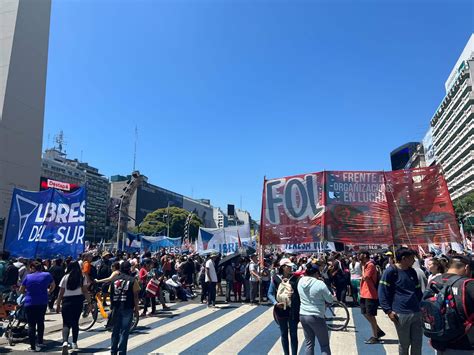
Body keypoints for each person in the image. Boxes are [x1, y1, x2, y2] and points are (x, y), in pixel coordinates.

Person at [378, 247, 423, 355]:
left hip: (416, 312)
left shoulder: (412, 272)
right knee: (404, 344)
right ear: (404, 259)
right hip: (401, 314)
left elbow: (418, 291)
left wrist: (422, 306)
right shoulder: (391, 271)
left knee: (417, 343)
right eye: (412, 258)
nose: (414, 261)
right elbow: (382, 292)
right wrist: (388, 311)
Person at [428, 255, 473, 354]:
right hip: (464, 343)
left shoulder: (434, 281)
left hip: (439, 340)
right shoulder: (468, 284)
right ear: (466, 268)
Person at [56, 261, 92, 354]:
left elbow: (61, 292)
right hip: (77, 301)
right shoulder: (82, 277)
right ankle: (74, 342)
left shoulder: (65, 277)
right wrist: (89, 302)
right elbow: (85, 291)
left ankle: (64, 342)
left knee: (66, 323)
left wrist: (58, 303)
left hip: (66, 301)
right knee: (75, 322)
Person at [298, 262, 333, 355]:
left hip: (303, 314)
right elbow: (330, 299)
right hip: (316, 315)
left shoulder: (300, 281)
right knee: (324, 345)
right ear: (316, 273)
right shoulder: (319, 283)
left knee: (309, 343)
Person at [19, 261, 55, 352]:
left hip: (30, 302)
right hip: (42, 301)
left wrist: (27, 292)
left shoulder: (28, 277)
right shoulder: (47, 275)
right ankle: (40, 342)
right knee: (40, 322)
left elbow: (21, 290)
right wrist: (49, 291)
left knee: (31, 324)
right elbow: (53, 285)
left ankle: (32, 346)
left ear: (32, 268)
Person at [268, 258, 301, 355]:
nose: (290, 268)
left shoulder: (296, 279)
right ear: (282, 267)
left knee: (294, 334)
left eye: (291, 266)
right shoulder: (276, 278)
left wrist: (294, 295)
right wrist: (275, 303)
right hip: (280, 309)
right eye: (288, 266)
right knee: (283, 334)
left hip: (293, 310)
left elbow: (300, 294)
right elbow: (270, 293)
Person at [109, 261, 140, 355]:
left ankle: (113, 351)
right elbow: (135, 296)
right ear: (129, 269)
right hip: (127, 307)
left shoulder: (114, 280)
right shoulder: (132, 280)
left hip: (116, 307)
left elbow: (110, 293)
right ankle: (122, 352)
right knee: (124, 331)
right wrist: (137, 310)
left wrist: (112, 307)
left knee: (115, 330)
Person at [358, 250, 385, 344]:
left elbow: (365, 277)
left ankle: (375, 336)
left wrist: (362, 267)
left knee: (371, 315)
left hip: (370, 293)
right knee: (365, 313)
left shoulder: (370, 265)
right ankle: (378, 330)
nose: (358, 256)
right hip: (364, 293)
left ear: (365, 255)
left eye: (360, 254)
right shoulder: (366, 265)